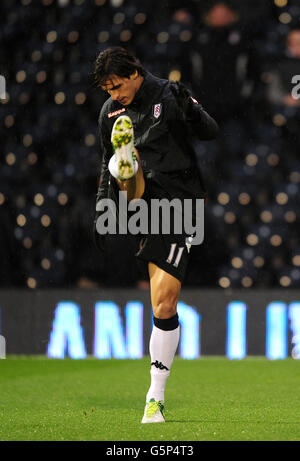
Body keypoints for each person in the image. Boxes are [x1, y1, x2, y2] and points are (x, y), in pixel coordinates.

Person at [93, 47, 218, 423]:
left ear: (134, 72)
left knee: (163, 306)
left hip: (178, 203)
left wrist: (192, 109)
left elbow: (210, 132)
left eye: (116, 85)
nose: (113, 94)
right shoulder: (109, 113)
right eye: (106, 89)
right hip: (144, 206)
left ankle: (154, 398)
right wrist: (102, 201)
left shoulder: (169, 93)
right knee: (120, 168)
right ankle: (127, 164)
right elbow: (103, 160)